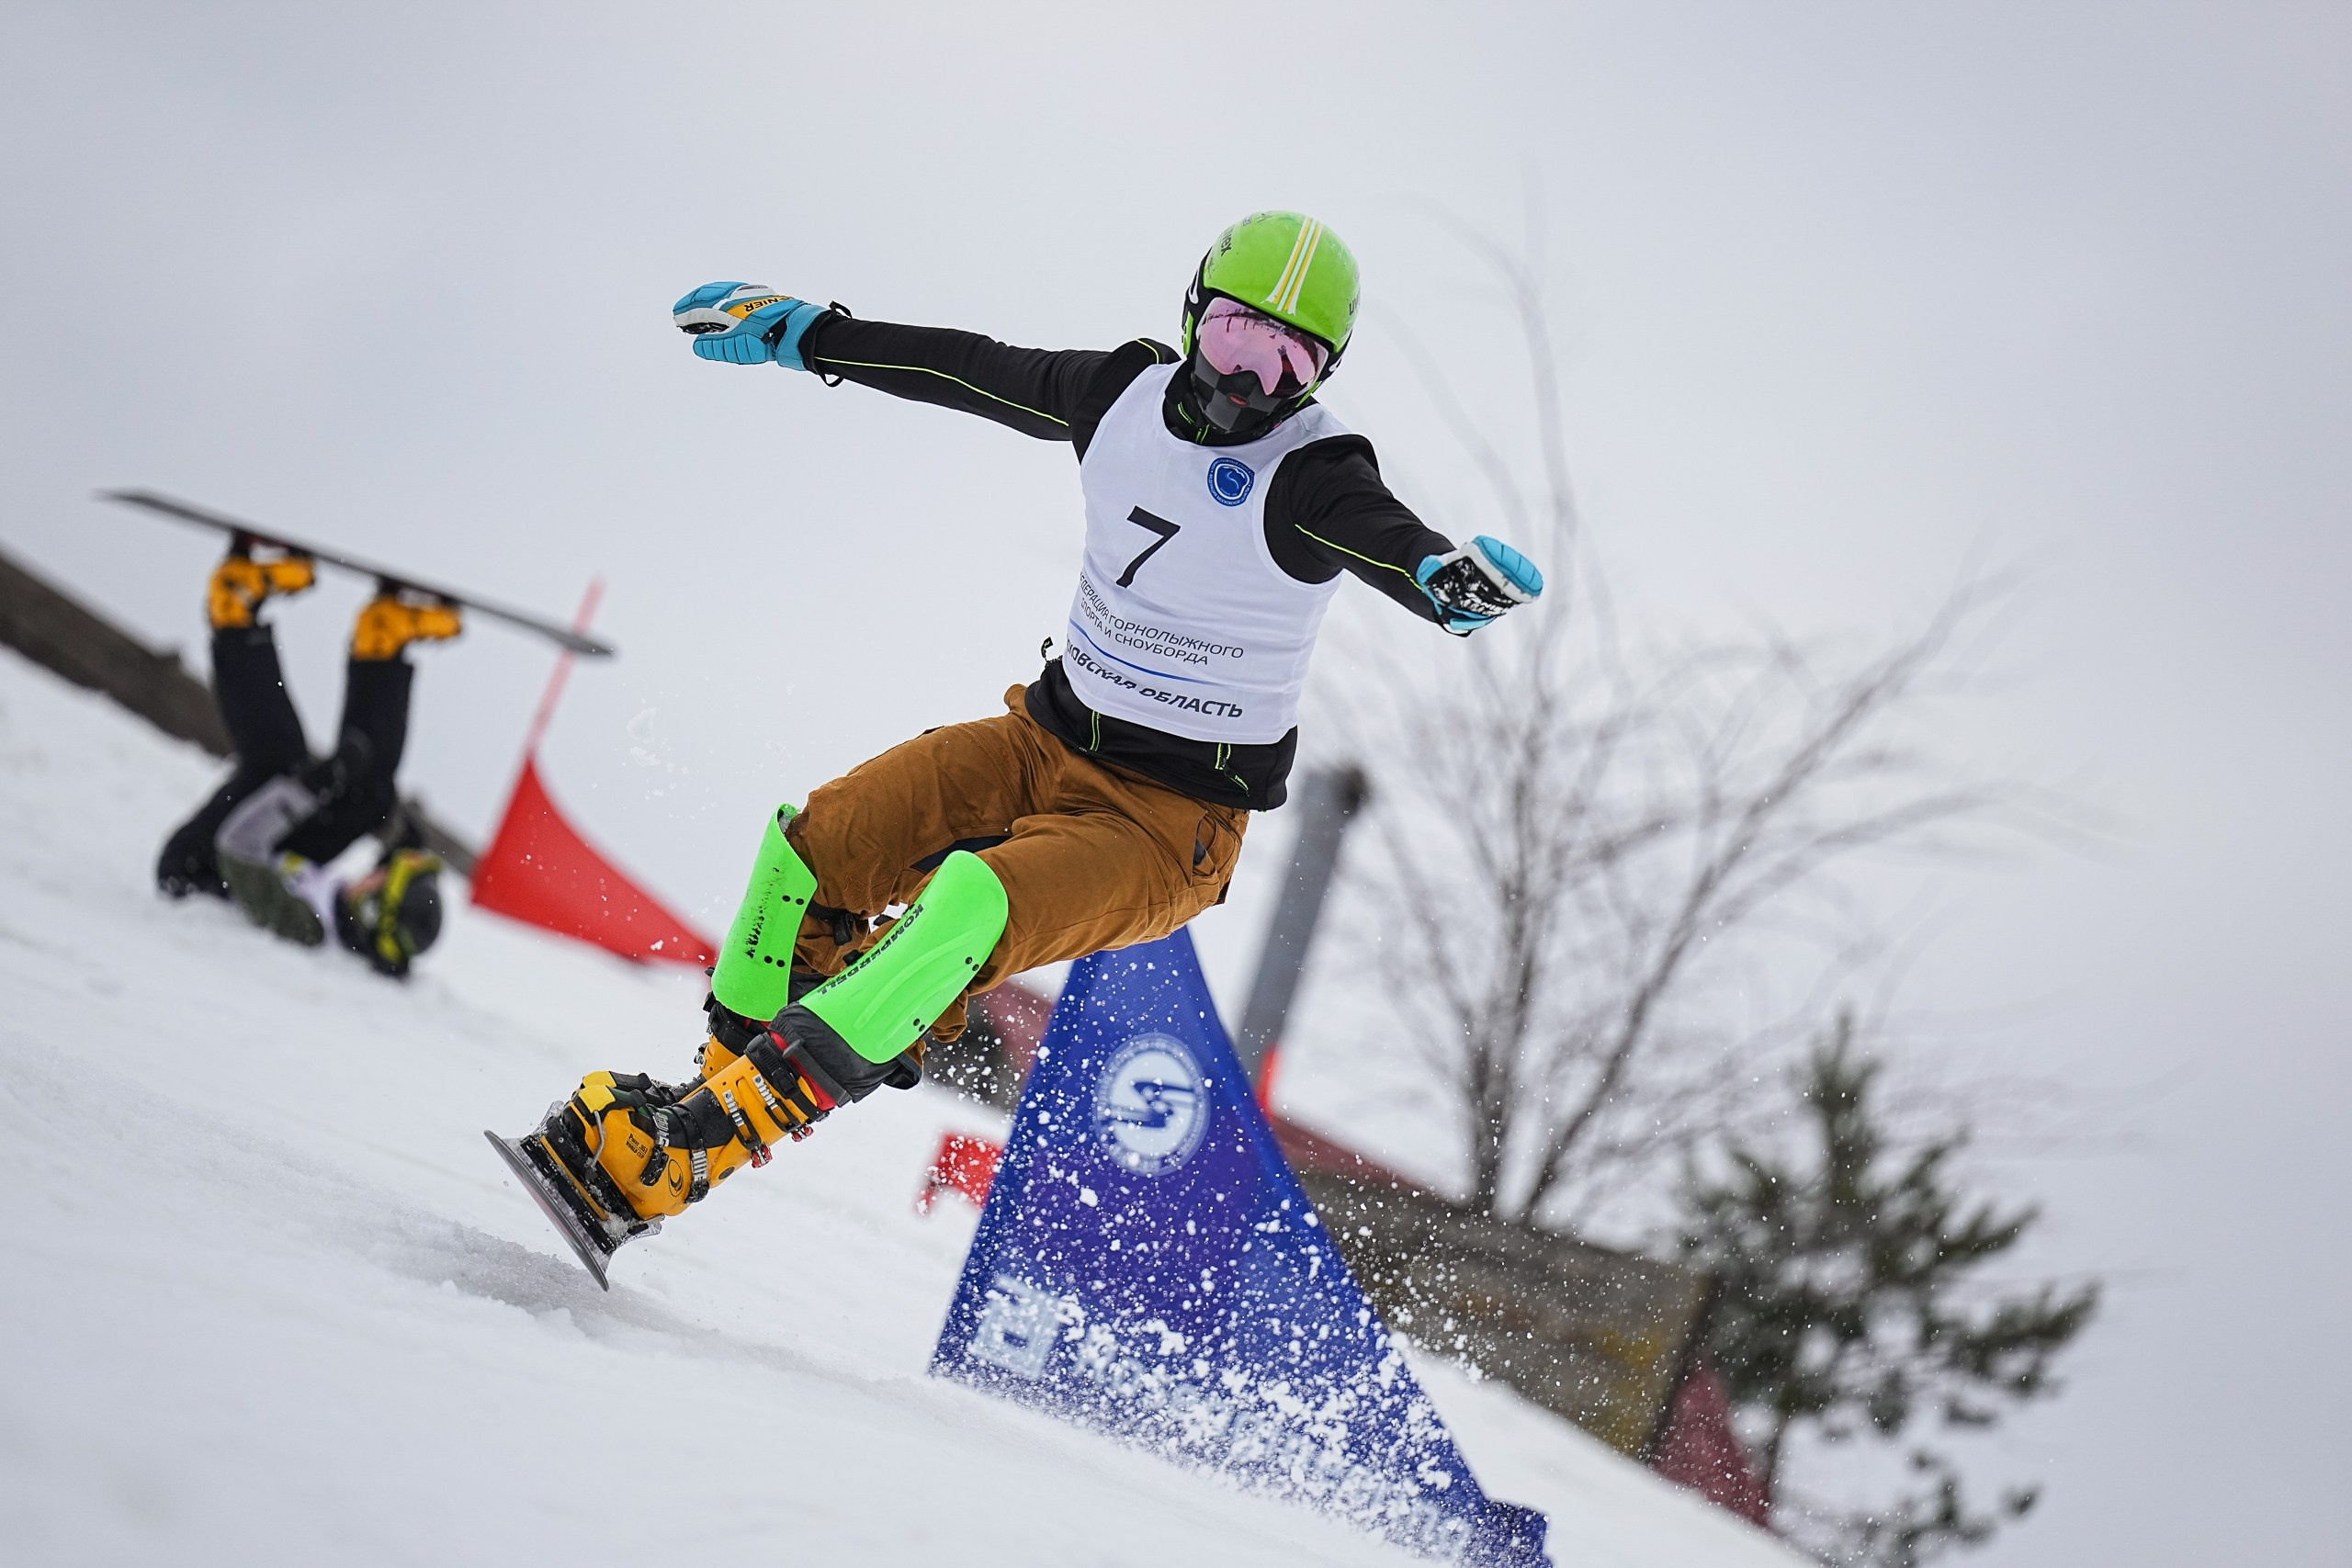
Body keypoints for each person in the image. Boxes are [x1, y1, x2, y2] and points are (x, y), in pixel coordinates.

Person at [500, 211, 1544, 1269]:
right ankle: (704, 1103)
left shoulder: (1309, 477)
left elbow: (1386, 539)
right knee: (808, 846)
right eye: (1234, 336)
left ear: (1320, 378)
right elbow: (966, 368)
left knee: (967, 902)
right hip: (1038, 742)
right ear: (1192, 316)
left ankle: (705, 1146)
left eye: (1288, 361)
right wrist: (809, 334)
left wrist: (1441, 582)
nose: (1249, 382)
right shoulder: (1120, 396)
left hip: (1163, 825)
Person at [156, 546, 459, 977]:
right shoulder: (336, 907)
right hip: (263, 853)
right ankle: (381, 641)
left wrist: (313, 785)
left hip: (196, 868)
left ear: (374, 908)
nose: (376, 872)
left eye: (385, 878)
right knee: (369, 795)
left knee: (281, 761)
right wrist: (389, 827)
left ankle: (234, 609)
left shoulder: (306, 926)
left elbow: (240, 848)